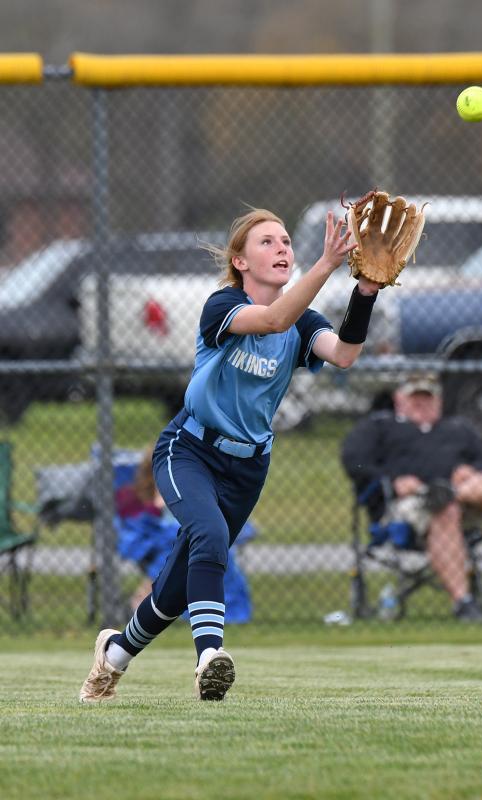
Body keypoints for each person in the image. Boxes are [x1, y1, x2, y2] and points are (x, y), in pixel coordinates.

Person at [80, 206, 382, 703]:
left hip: (248, 466)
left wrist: (365, 293)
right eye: (267, 242)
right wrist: (327, 264)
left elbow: (345, 354)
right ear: (240, 262)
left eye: (286, 241)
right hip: (190, 450)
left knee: (177, 585)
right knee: (211, 535)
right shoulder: (222, 305)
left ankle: (113, 656)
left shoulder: (303, 323)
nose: (282, 248)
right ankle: (209, 658)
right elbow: (273, 318)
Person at [342, 373, 482, 622]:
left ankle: (448, 493)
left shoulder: (458, 429)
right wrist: (393, 481)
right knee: (445, 509)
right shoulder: (380, 426)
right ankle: (463, 603)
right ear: (399, 399)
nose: (421, 403)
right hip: (410, 507)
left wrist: (471, 472)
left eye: (427, 397)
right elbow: (354, 462)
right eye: (414, 397)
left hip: (471, 499)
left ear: (439, 401)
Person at [115, 446, 256, 620]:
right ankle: (144, 604)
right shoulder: (138, 496)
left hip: (193, 541)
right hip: (165, 544)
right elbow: (138, 526)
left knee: (193, 548)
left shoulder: (194, 487)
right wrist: (157, 507)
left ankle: (142, 604)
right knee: (171, 553)